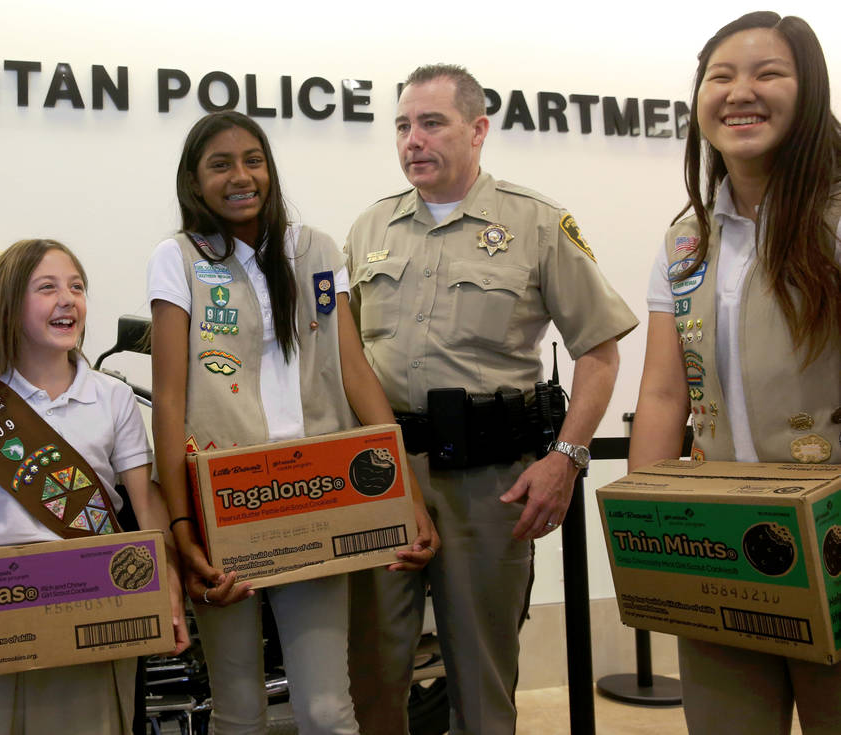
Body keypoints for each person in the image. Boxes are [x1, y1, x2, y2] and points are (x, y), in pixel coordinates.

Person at [345, 64, 638, 733]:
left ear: (478, 130)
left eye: (431, 123)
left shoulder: (536, 224)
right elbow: (345, 357)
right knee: (372, 677)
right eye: (402, 126)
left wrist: (566, 456)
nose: (412, 140)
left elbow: (600, 351)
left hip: (490, 483)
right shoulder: (370, 229)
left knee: (481, 683)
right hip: (387, 480)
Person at [147, 110, 438, 734]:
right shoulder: (178, 259)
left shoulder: (317, 251)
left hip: (315, 495)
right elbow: (169, 399)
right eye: (220, 164)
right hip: (225, 502)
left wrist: (404, 492)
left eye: (253, 160)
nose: (241, 176)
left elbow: (354, 371)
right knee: (239, 710)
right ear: (195, 182)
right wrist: (180, 527)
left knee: (328, 709)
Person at [629, 12, 841, 735]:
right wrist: (648, 527)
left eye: (767, 73)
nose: (739, 92)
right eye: (720, 76)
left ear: (809, 90)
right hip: (724, 544)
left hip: (835, 537)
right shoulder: (685, 237)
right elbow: (662, 390)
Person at [0, 238, 188, 735]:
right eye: (46, 288)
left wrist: (169, 583)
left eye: (76, 286)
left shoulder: (112, 397)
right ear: (9, 306)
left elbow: (146, 503)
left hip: (101, 602)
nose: (67, 298)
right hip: (5, 611)